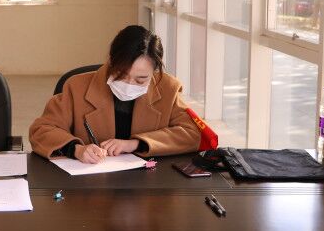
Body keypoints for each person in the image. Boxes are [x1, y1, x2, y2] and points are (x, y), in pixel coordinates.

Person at [30, 25, 200, 162]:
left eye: (141, 79)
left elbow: (191, 134)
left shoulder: (168, 88)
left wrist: (136, 144)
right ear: (111, 61)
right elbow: (41, 130)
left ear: (154, 72)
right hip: (90, 183)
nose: (130, 84)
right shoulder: (76, 87)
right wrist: (76, 149)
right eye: (122, 75)